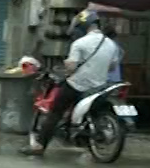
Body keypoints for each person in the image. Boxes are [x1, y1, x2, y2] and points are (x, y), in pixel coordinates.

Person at [23, 10, 120, 156]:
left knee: (55, 112)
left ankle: (39, 146)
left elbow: (72, 67)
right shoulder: (112, 45)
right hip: (99, 86)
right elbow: (112, 66)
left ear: (82, 26)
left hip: (78, 84)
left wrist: (67, 64)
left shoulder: (79, 43)